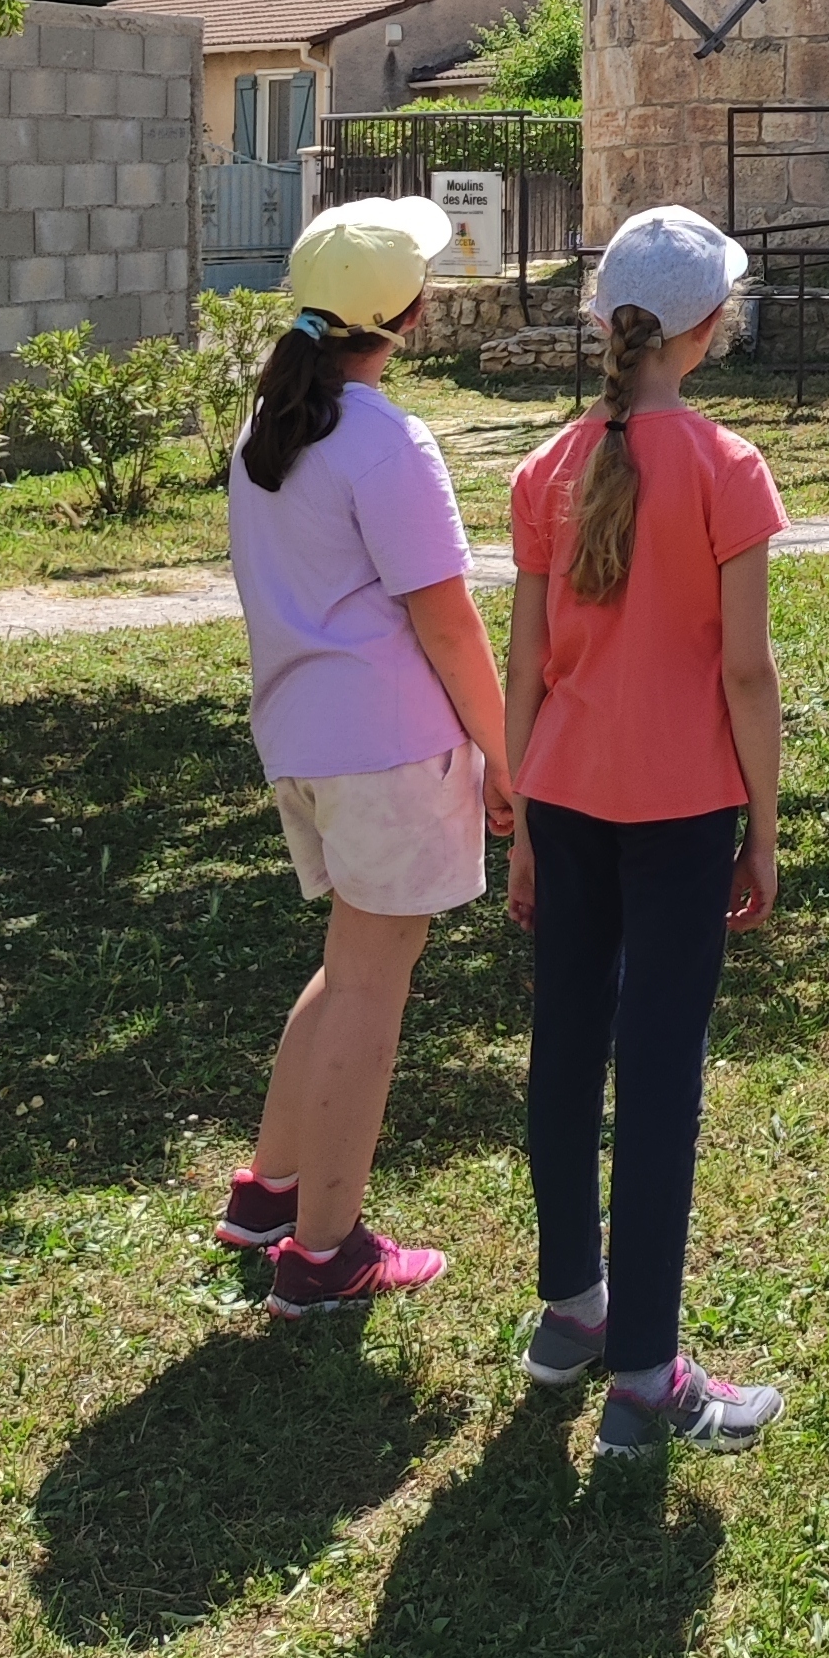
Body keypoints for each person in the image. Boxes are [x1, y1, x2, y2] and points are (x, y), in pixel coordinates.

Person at [503, 202, 789, 1455]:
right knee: (658, 1077)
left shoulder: (542, 468)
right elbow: (745, 674)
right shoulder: (728, 469)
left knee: (563, 1052)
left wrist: (515, 818)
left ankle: (574, 1310)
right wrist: (765, 826)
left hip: (560, 794)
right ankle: (646, 1376)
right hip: (679, 809)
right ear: (707, 327)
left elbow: (522, 663)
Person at [215, 195, 517, 1318]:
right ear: (406, 313)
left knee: (350, 966)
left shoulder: (269, 427)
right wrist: (508, 757)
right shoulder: (386, 438)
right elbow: (446, 621)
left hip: (303, 740)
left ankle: (270, 1192)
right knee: (373, 990)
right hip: (390, 750)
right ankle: (326, 1248)